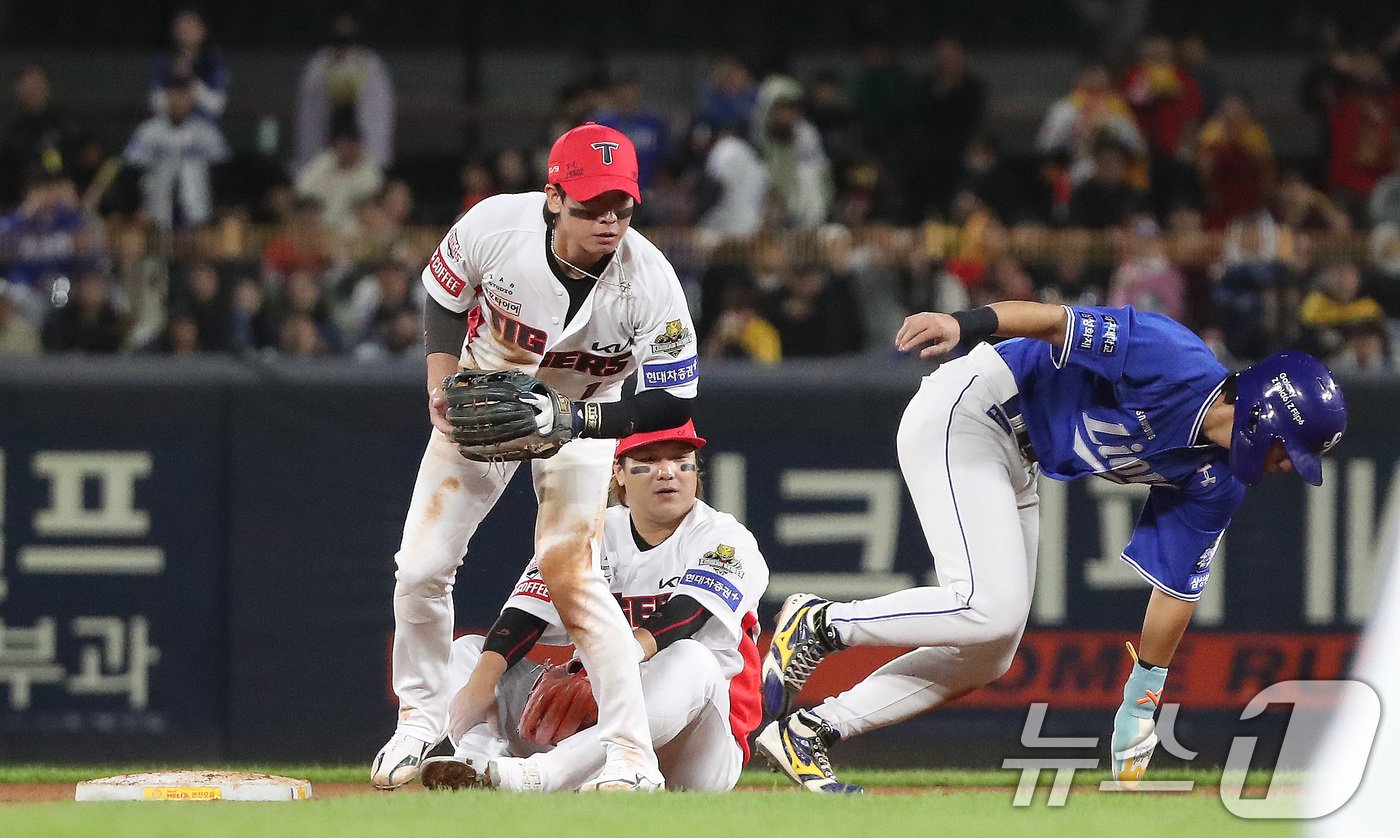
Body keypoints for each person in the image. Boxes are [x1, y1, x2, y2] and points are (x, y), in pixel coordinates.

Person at [758, 300, 1348, 793]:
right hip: (972, 406)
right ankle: (821, 623)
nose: (1286, 468)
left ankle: (809, 732)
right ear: (1265, 416)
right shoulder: (1173, 358)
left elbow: (1176, 591)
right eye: (1289, 450)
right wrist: (968, 324)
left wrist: (1142, 698)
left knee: (991, 650)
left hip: (1018, 455)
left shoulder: (1216, 479)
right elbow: (1055, 322)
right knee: (987, 604)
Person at [371, 123, 699, 792]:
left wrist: (577, 418)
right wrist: (439, 375)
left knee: (574, 578)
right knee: (422, 568)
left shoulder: (652, 281)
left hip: (585, 413)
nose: (608, 220)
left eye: (621, 206)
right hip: (487, 391)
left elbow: (671, 405)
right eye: (590, 205)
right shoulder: (497, 226)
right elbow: (444, 289)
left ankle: (632, 759)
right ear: (554, 197)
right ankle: (417, 724)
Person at [414, 422, 767, 792]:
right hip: (597, 723)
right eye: (648, 460)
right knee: (470, 653)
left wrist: (603, 670)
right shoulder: (591, 531)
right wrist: (480, 685)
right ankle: (481, 763)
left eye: (682, 461)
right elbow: (524, 614)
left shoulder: (724, 537)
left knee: (694, 659)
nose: (668, 472)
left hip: (694, 746)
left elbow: (686, 615)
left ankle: (540, 777)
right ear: (618, 471)